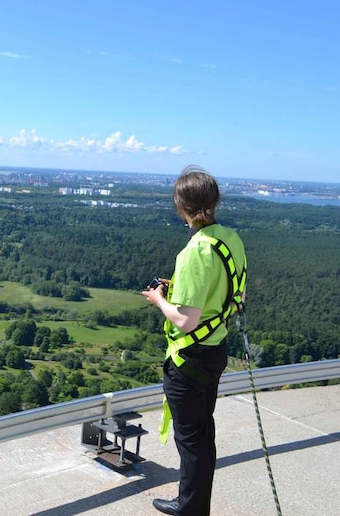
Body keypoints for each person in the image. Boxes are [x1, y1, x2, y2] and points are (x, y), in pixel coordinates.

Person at [142, 166, 247, 516]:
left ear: (181, 206)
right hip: (216, 350)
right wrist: (179, 290)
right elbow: (224, 293)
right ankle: (193, 504)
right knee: (203, 437)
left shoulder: (194, 252)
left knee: (191, 442)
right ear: (214, 202)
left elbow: (186, 322)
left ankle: (189, 509)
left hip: (189, 361)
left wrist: (160, 300)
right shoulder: (229, 239)